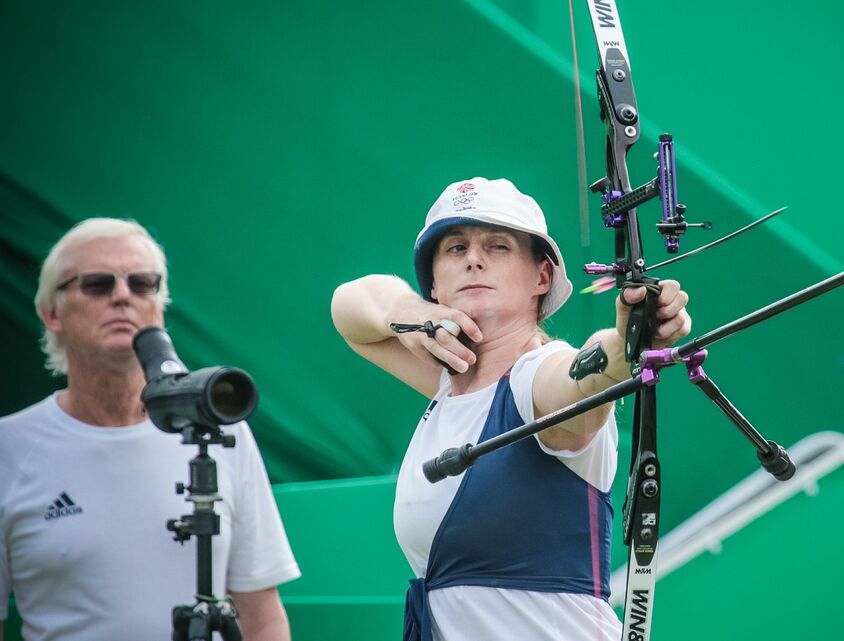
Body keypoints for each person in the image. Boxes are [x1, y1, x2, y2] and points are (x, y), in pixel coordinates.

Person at [330, 177, 692, 641]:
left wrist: (629, 342)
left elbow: (584, 376)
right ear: (435, 284)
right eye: (456, 248)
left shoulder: (534, 378)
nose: (474, 258)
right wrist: (413, 316)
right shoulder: (449, 383)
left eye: (497, 247)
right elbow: (349, 309)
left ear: (541, 277)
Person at [0, 218, 301, 641]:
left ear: (160, 305)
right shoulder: (8, 448)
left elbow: (262, 616)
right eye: (97, 284)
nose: (123, 296)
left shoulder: (216, 425)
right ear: (52, 312)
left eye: (142, 283)